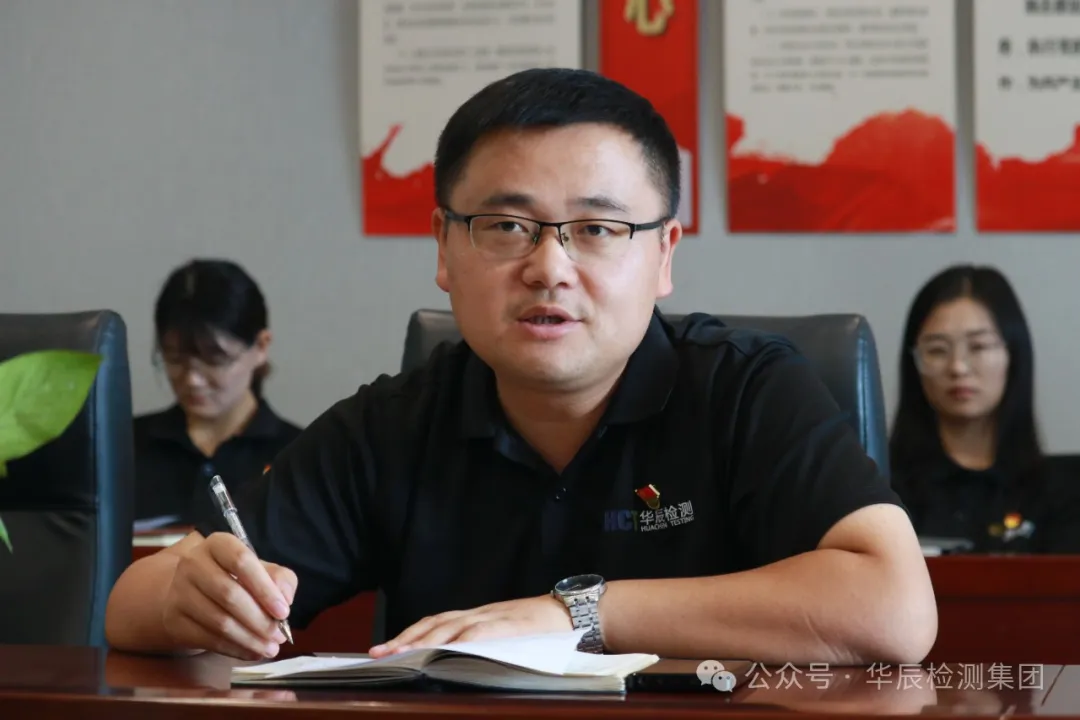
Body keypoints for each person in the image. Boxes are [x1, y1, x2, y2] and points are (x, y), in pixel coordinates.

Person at [105, 68, 936, 665]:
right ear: (444, 247)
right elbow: (129, 608)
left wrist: (577, 614)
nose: (549, 268)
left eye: (597, 229)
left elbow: (895, 610)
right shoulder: (395, 426)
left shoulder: (746, 388)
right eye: (507, 227)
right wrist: (191, 597)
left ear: (664, 254)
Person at [890, 264, 1080, 553]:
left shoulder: (1064, 492)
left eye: (978, 346)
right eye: (937, 350)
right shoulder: (878, 488)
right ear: (914, 362)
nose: (958, 367)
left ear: (1012, 355)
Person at [132, 259, 301, 527]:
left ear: (260, 346)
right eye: (175, 359)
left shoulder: (297, 456)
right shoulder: (122, 448)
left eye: (215, 359)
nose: (193, 380)